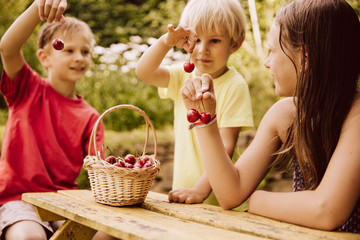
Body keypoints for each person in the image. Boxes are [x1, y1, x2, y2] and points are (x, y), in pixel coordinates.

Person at [170, 0, 360, 233]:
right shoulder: (286, 114)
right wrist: (204, 119)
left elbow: (325, 210)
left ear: (305, 58)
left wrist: (256, 199)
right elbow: (231, 193)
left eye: (272, 51)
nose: (266, 62)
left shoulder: (357, 115)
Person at [0, 1, 117, 239]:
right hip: (19, 200)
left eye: (85, 51)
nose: (79, 57)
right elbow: (8, 48)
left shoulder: (91, 117)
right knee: (29, 236)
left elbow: (102, 174)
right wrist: (37, 8)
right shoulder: (27, 89)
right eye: (68, 50)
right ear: (44, 57)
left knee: (112, 234)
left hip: (65, 203)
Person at [135, 0, 254, 206]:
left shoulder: (235, 85)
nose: (202, 50)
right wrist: (166, 42)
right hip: (184, 195)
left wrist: (199, 191)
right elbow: (144, 72)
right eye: (196, 40)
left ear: (235, 44)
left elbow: (226, 145)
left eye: (215, 41)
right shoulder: (184, 76)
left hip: (219, 201)